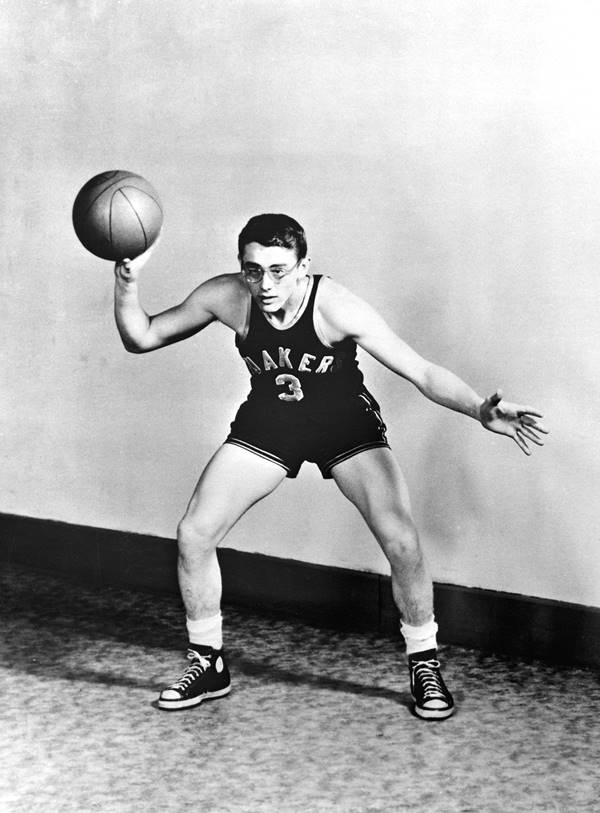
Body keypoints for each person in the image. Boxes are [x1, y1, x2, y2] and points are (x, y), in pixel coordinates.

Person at [113, 213, 547, 720]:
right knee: (194, 533)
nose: (266, 284)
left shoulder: (335, 306)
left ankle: (424, 663)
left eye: (279, 270)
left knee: (402, 541)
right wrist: (127, 283)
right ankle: (207, 662)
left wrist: (478, 408)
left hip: (343, 423)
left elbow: (422, 371)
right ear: (241, 268)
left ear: (303, 267)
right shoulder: (227, 296)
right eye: (254, 271)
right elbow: (141, 337)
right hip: (271, 420)